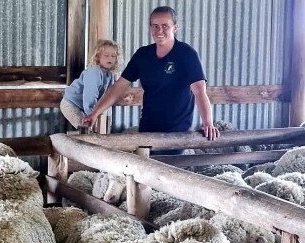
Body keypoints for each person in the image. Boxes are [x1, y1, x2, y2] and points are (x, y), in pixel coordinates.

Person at [82, 6, 219, 147]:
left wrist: (208, 123)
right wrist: (95, 113)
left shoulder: (187, 55)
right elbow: (119, 86)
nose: (159, 31)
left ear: (175, 28)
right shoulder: (143, 55)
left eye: (165, 26)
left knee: (167, 167)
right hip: (147, 129)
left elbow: (200, 91)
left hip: (177, 133)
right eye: (155, 26)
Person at [60, 39, 121, 132]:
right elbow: (90, 95)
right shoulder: (94, 72)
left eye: (113, 56)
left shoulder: (109, 75)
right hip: (71, 104)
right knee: (86, 127)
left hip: (85, 106)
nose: (110, 58)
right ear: (97, 57)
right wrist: (91, 114)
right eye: (106, 55)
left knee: (94, 128)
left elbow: (108, 95)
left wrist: (98, 112)